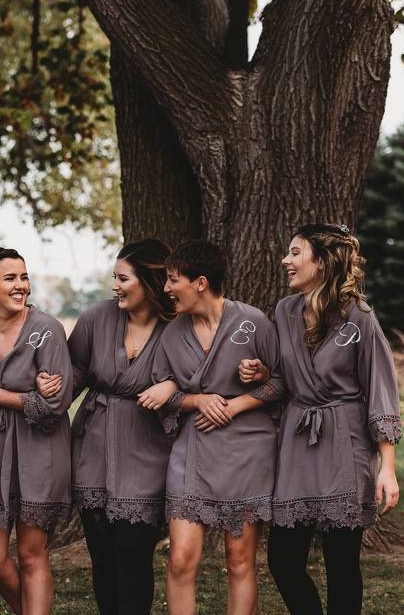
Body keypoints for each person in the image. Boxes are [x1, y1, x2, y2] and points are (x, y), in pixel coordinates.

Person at [267, 224, 401, 615]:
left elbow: (381, 390)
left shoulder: (359, 318)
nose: (286, 261)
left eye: (295, 253)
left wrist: (387, 468)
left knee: (342, 563)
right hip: (296, 441)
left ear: (321, 262)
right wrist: (260, 373)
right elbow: (281, 377)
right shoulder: (284, 312)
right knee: (283, 560)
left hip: (346, 443)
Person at [152, 240, 285, 615]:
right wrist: (196, 400)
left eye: (173, 280)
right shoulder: (172, 335)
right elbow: (162, 396)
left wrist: (243, 396)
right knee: (180, 558)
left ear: (200, 283)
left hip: (247, 452)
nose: (166, 288)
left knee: (239, 559)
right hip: (193, 451)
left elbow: (282, 383)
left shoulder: (253, 321)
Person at [0, 247, 73, 615]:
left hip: (41, 448)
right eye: (10, 278)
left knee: (32, 553)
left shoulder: (47, 330)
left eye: (23, 277)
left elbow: (54, 406)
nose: (21, 285)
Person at [69, 239, 177, 614]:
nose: (115, 285)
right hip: (94, 445)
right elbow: (76, 373)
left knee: (133, 554)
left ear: (149, 281)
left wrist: (172, 385)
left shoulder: (177, 327)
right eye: (114, 277)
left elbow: (201, 374)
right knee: (102, 555)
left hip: (146, 448)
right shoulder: (95, 318)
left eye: (123, 278)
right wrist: (44, 395)